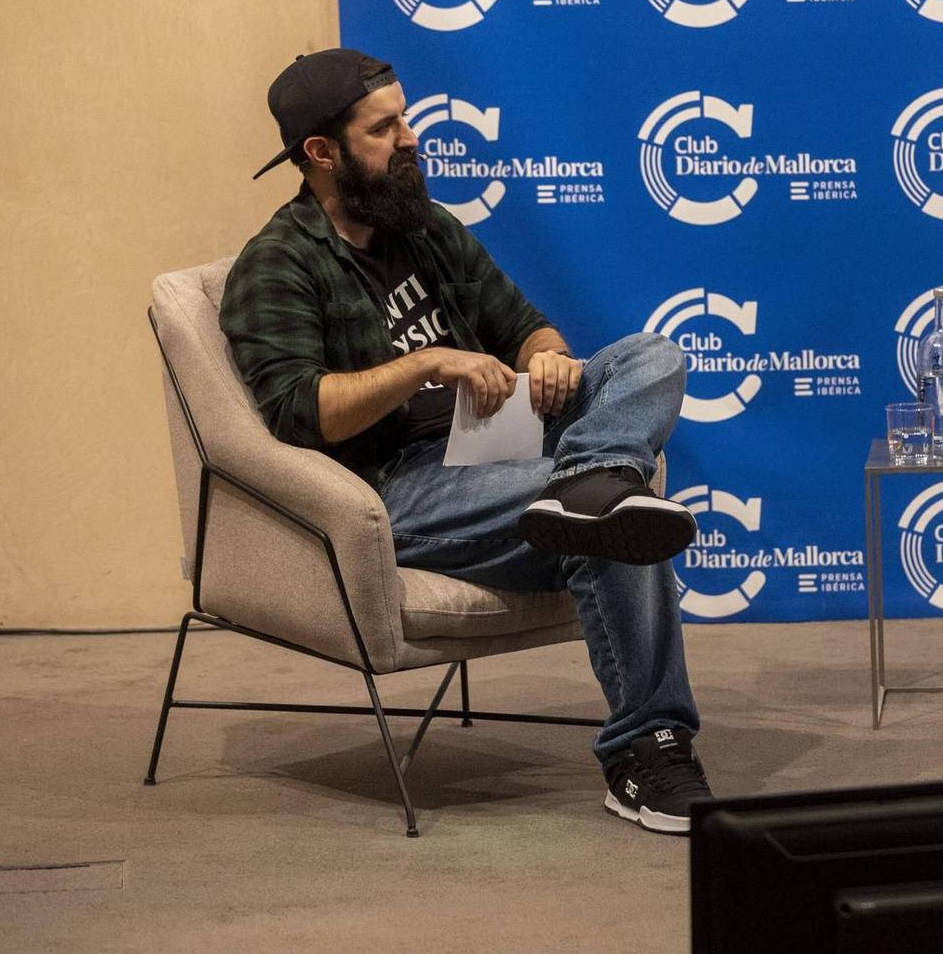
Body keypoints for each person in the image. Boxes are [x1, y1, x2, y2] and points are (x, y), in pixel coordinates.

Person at [219, 47, 712, 835]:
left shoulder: (425, 227)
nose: (409, 137)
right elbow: (299, 412)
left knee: (654, 357)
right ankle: (647, 748)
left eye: (405, 118)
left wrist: (548, 359)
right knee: (621, 517)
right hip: (399, 481)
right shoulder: (276, 264)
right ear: (321, 151)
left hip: (495, 438)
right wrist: (424, 363)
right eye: (384, 128)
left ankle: (594, 479)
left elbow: (526, 327)